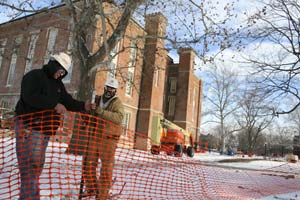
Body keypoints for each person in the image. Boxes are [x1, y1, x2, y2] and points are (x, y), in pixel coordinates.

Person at [14, 52, 91, 200]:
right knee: (30, 167)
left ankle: (30, 197)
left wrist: (83, 105)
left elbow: (67, 101)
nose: (61, 74)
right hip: (29, 128)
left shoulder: (57, 85)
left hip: (44, 131)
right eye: (60, 71)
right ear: (54, 65)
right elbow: (30, 96)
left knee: (35, 168)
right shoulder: (34, 76)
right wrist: (54, 105)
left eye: (64, 73)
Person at [82, 77, 124, 199]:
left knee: (106, 167)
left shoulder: (117, 103)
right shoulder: (97, 99)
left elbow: (119, 118)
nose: (109, 91)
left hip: (109, 139)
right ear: (105, 87)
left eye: (112, 89)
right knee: (88, 162)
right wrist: (87, 114)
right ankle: (91, 188)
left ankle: (102, 195)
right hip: (94, 136)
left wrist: (100, 111)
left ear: (115, 91)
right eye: (108, 88)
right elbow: (92, 115)